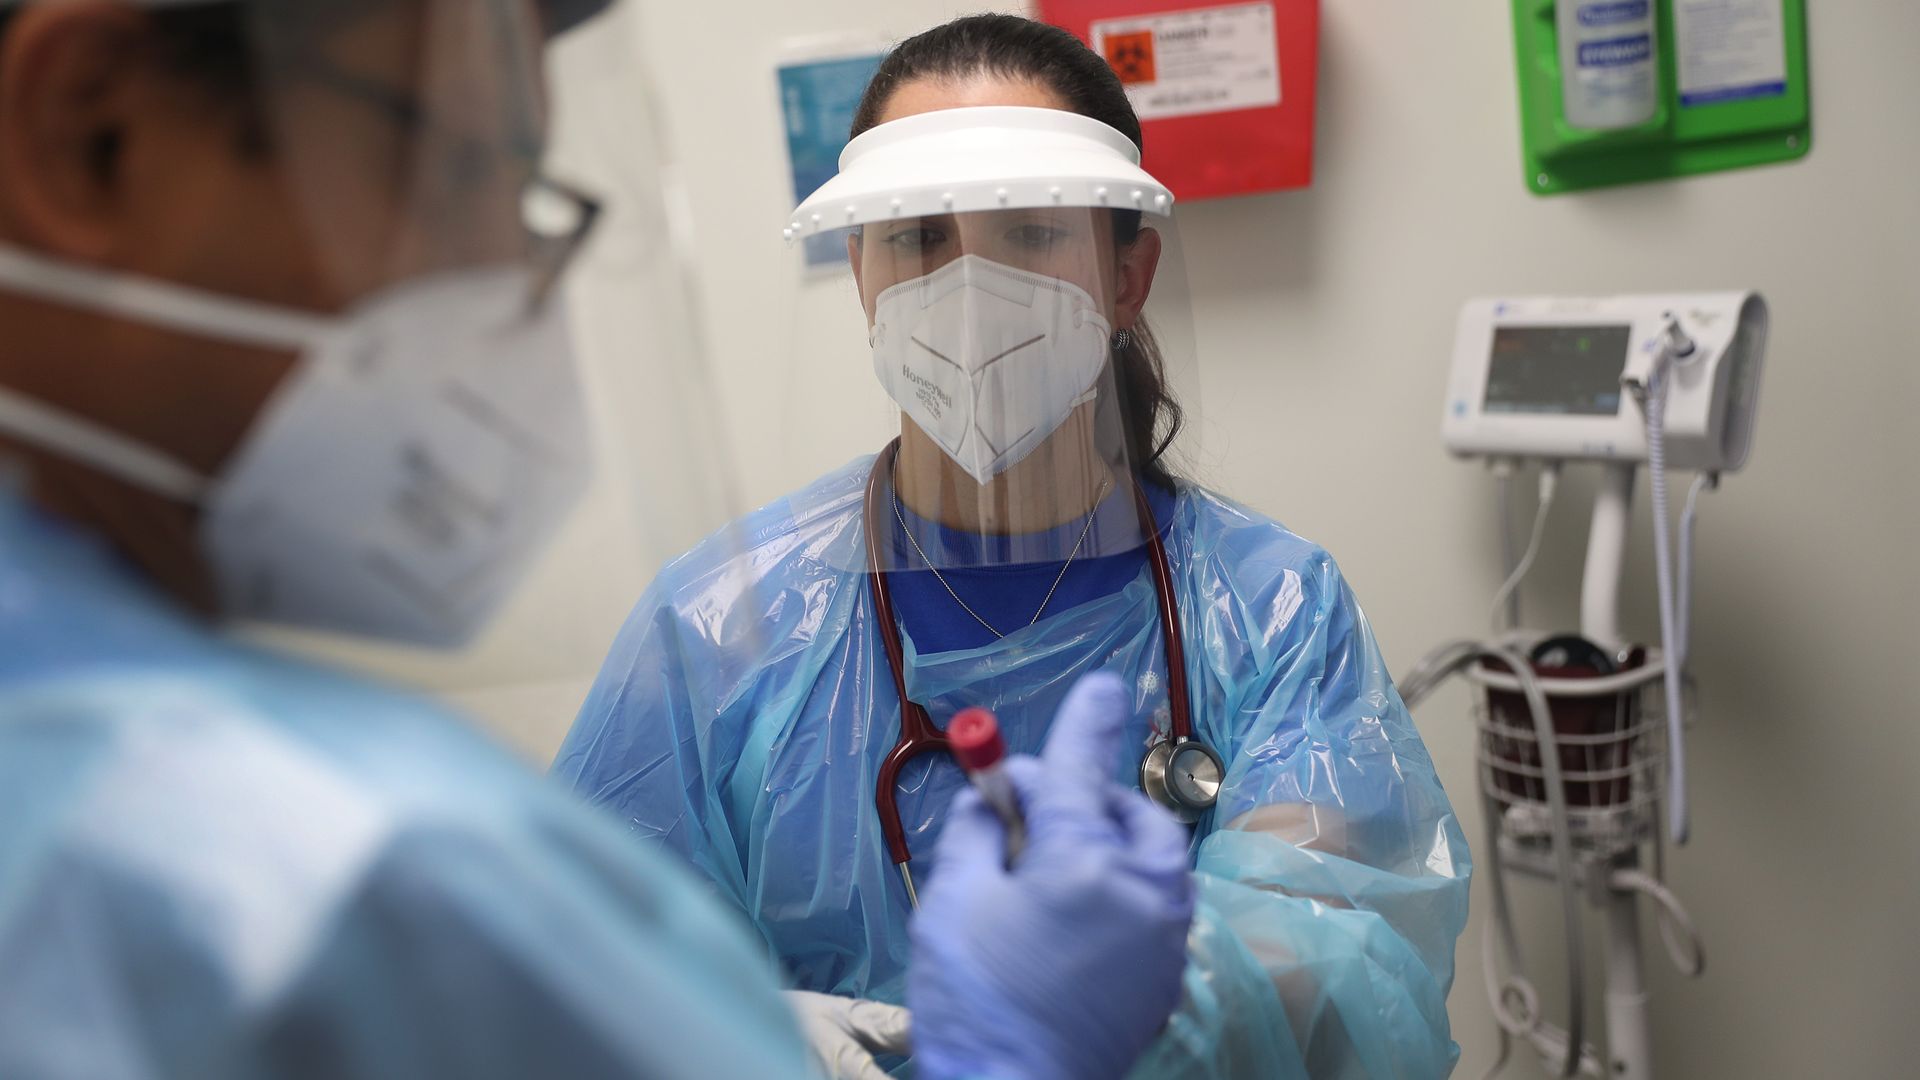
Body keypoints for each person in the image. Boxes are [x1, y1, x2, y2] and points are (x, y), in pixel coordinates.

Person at [0, 2, 1194, 1077]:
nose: (516, 276)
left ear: (1126, 271)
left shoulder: (120, 777)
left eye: (1030, 232)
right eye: (452, 168)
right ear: (92, 129)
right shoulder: (311, 875)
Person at [556, 12, 1473, 1079]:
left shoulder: (1274, 612)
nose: (968, 291)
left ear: (1126, 277)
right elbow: (571, 968)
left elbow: (1337, 954)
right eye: (918, 237)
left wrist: (1123, 1021)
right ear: (860, 271)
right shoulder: (721, 625)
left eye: (1031, 231)